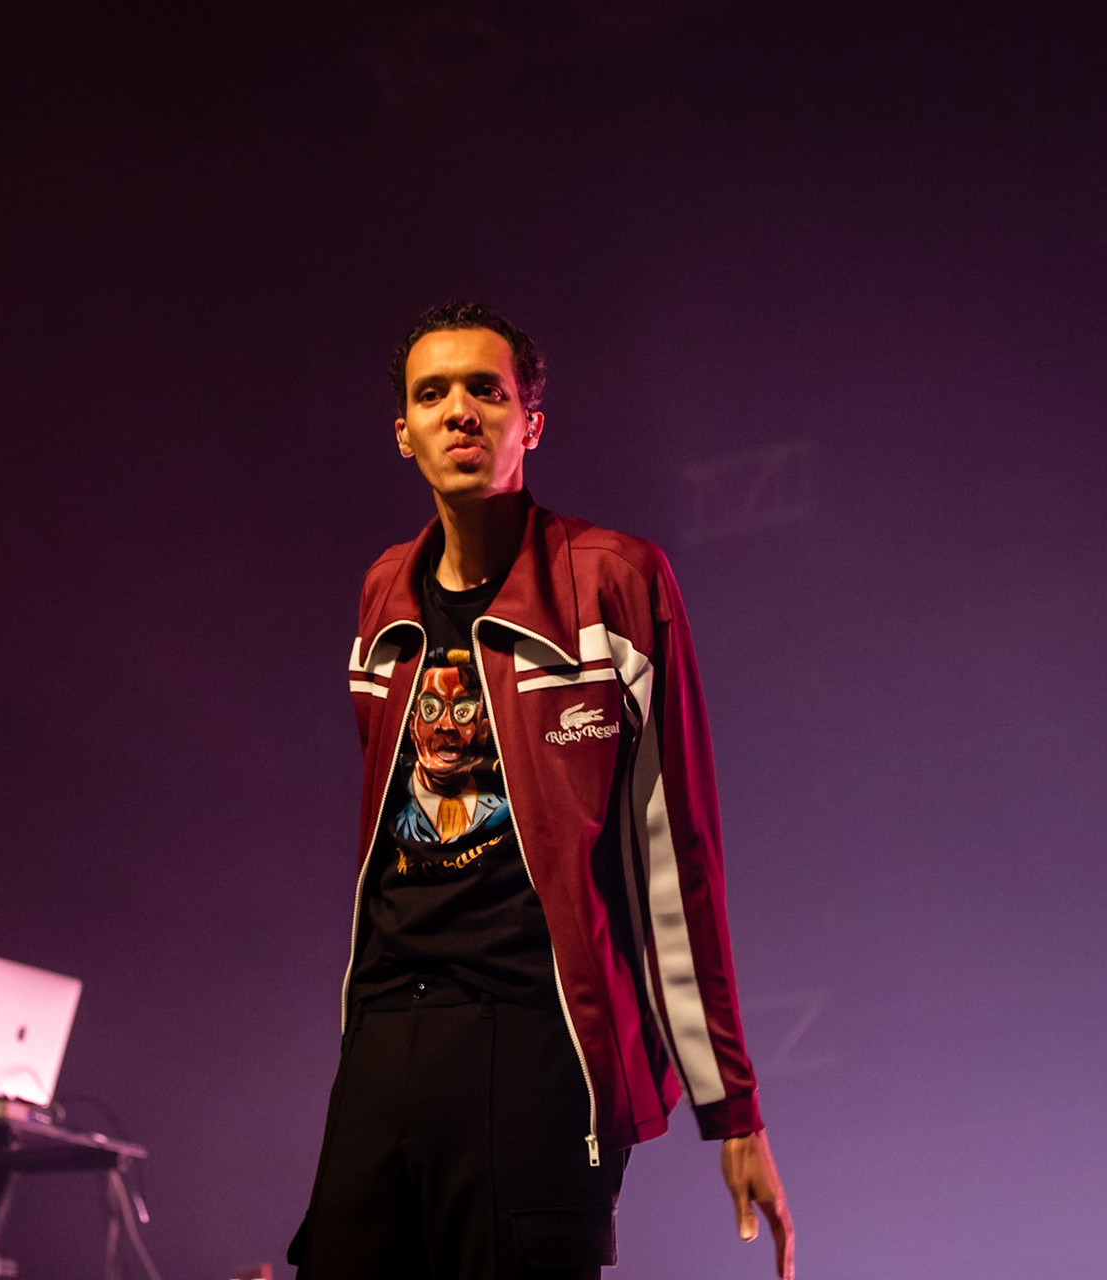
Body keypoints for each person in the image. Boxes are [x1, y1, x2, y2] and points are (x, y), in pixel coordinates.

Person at [289, 303, 795, 1279]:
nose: (459, 411)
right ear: (403, 432)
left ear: (531, 422)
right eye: (432, 394)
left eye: (486, 389)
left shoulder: (616, 581)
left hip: (538, 1032)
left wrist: (733, 1109)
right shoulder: (384, 593)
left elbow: (677, 856)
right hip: (387, 1034)